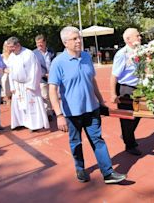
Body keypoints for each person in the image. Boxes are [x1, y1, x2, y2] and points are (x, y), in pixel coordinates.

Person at [48, 26, 126, 184]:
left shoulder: (86, 57)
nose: (79, 41)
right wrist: (59, 115)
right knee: (76, 142)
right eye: (74, 39)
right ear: (65, 43)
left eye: (79, 38)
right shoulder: (58, 63)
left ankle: (108, 173)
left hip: (92, 109)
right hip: (72, 113)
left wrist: (101, 101)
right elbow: (52, 90)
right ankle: (80, 168)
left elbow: (92, 80)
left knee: (98, 140)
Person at [110, 28, 142, 156]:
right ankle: (130, 145)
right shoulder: (122, 54)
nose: (140, 38)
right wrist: (113, 94)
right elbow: (114, 75)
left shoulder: (140, 51)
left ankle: (127, 135)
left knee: (140, 113)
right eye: (137, 36)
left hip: (138, 88)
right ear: (128, 39)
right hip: (125, 88)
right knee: (127, 118)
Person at [7, 36, 49, 131]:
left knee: (31, 105)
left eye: (12, 47)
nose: (10, 49)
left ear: (17, 45)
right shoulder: (12, 55)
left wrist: (31, 85)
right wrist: (12, 85)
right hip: (17, 85)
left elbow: (35, 70)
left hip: (28, 85)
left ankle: (34, 125)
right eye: (9, 47)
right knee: (19, 105)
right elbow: (10, 71)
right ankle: (20, 122)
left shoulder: (29, 54)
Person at [33, 34, 55, 121]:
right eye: (37, 44)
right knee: (45, 96)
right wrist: (44, 74)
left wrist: (53, 73)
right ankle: (48, 113)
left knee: (53, 94)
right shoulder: (34, 53)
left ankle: (53, 110)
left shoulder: (51, 51)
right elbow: (34, 67)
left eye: (41, 43)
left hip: (53, 77)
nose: (39, 45)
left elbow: (54, 62)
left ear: (45, 42)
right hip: (42, 78)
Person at [1, 41, 12, 105]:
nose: (8, 48)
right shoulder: (1, 56)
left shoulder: (14, 55)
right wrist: (5, 71)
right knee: (5, 79)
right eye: (6, 46)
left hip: (13, 73)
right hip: (4, 73)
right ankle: (7, 98)